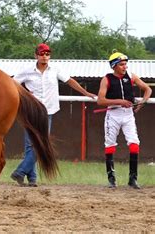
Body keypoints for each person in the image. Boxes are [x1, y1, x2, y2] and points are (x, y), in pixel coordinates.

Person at [11, 43, 97, 187]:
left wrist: (86, 93)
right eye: (41, 54)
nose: (44, 56)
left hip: (47, 111)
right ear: (36, 55)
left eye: (47, 54)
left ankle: (21, 172)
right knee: (30, 146)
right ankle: (30, 178)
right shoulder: (27, 70)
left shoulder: (55, 69)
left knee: (41, 144)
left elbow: (70, 81)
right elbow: (12, 83)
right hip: (31, 111)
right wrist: (25, 92)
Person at [96, 50, 151, 189]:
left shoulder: (131, 76)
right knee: (110, 145)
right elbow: (100, 101)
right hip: (113, 115)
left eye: (125, 64)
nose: (125, 67)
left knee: (134, 144)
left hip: (128, 115)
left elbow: (147, 89)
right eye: (121, 64)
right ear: (114, 66)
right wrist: (120, 101)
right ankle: (111, 179)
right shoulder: (106, 79)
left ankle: (133, 179)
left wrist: (142, 102)